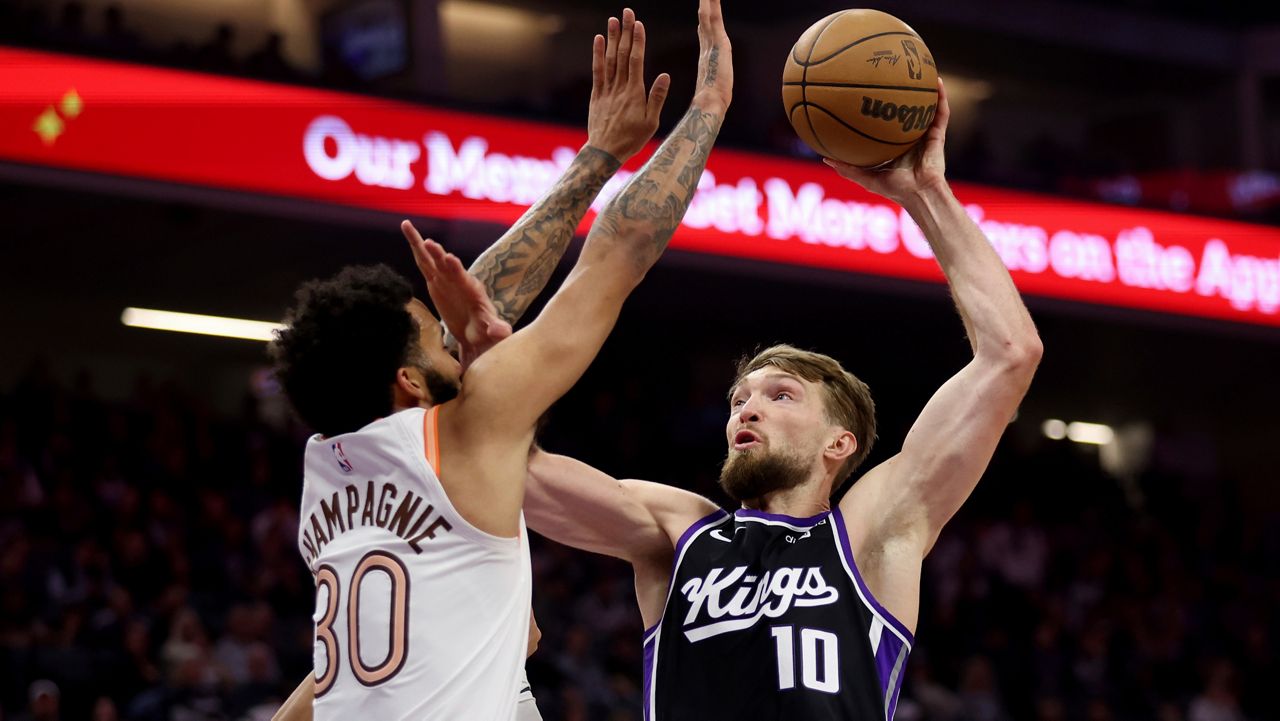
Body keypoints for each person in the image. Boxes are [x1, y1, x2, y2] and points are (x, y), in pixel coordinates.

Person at [522, 77, 1042, 720]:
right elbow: (508, 467)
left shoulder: (870, 534)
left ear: (839, 442)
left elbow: (1010, 354)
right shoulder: (679, 530)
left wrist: (927, 193)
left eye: (781, 394)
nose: (747, 408)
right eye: (740, 398)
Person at [268, 2, 734, 719]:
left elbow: (482, 313)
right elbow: (615, 257)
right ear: (408, 379)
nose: (451, 337)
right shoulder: (467, 435)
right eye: (432, 335)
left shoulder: (325, 475)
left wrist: (597, 158)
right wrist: (706, 110)